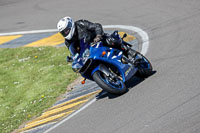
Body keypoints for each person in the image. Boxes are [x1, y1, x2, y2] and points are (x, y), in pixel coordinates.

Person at [57, 16, 136, 62]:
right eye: (63, 32)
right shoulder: (68, 41)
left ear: (71, 25)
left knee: (111, 40)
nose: (66, 33)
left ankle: (128, 51)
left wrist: (98, 36)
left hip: (99, 41)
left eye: (66, 30)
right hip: (90, 52)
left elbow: (96, 26)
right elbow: (74, 51)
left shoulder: (81, 24)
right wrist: (74, 58)